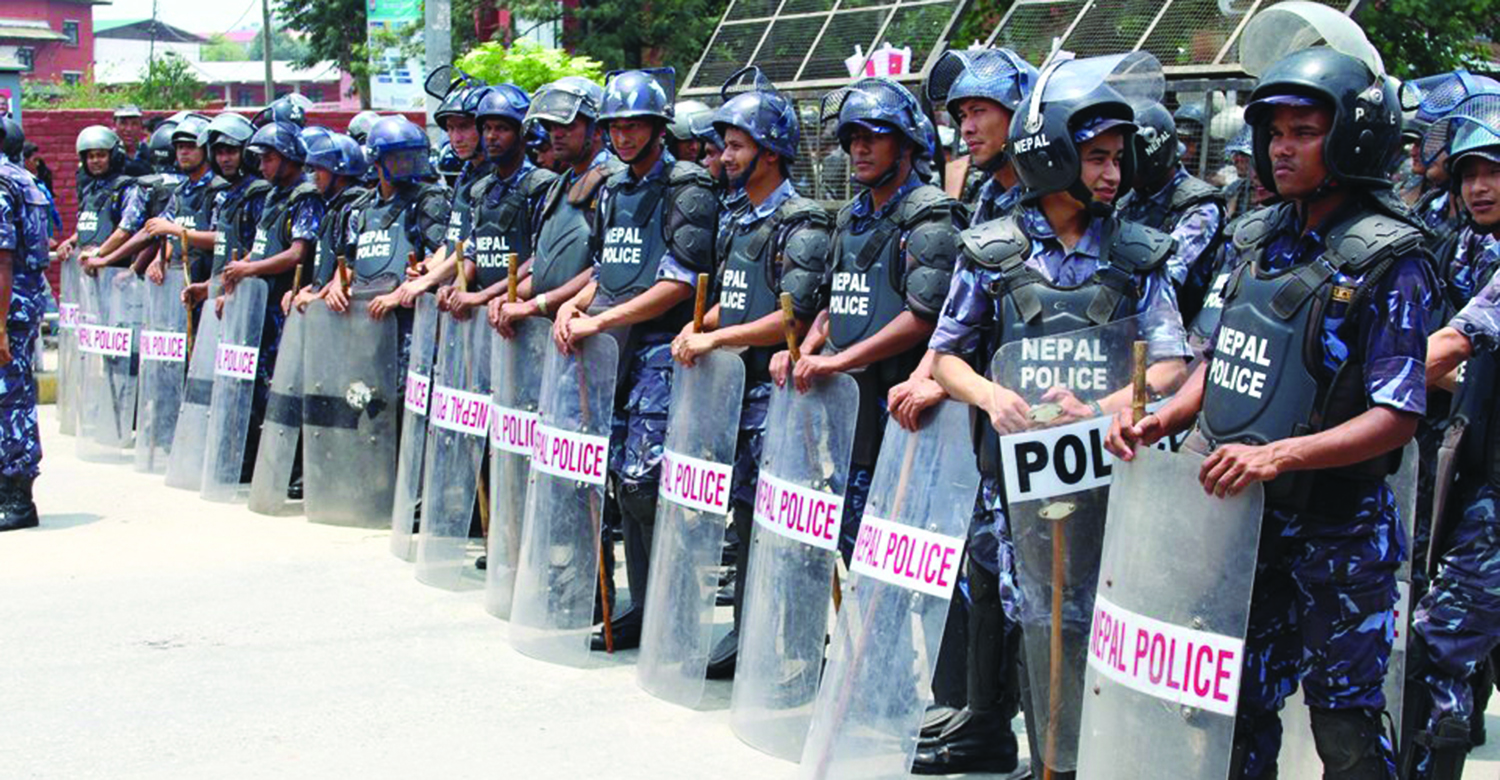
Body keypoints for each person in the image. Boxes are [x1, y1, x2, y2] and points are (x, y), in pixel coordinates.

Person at [1106, 45, 1432, 780]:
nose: (1282, 148)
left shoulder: (1391, 258)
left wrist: (1281, 455)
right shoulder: (1256, 237)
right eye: (1275, 132)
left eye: (1304, 132)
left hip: (1338, 532)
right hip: (1243, 523)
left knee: (1343, 725)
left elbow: (1398, 413)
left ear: (1352, 138)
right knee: (1230, 710)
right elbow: (1224, 357)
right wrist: (1165, 417)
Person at [930, 53, 1189, 780]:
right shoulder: (991, 251)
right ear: (1055, 157)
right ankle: (1050, 761)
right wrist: (990, 396)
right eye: (1096, 156)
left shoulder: (1138, 252)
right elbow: (945, 357)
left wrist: (1099, 409)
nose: (1111, 173)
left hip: (1111, 479)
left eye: (1117, 158)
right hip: (1017, 487)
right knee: (1033, 619)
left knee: (1097, 622)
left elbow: (1172, 365)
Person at [667, 67, 832, 678]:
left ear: (771, 151)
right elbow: (735, 300)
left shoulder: (804, 222)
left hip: (777, 396)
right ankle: (747, 634)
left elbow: (792, 316)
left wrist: (714, 337)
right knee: (744, 516)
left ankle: (797, 649)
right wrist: (701, 325)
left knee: (784, 525)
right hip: (733, 394)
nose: (726, 156)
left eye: (736, 145)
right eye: (724, 145)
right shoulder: (738, 216)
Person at [551, 67, 719, 651]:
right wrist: (574, 305)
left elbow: (680, 282)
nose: (623, 136)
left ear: (658, 126)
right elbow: (607, 269)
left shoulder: (687, 187)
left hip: (662, 354)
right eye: (615, 126)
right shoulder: (613, 189)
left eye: (634, 125)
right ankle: (643, 607)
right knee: (622, 486)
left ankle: (672, 610)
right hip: (614, 354)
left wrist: (599, 320)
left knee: (650, 487)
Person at [908, 45, 1038, 776]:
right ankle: (985, 720)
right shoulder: (988, 197)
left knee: (1037, 589)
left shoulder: (1052, 202)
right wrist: (930, 374)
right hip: (985, 412)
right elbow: (959, 314)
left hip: (1040, 417)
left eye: (981, 110)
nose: (967, 126)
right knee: (983, 568)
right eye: (960, 113)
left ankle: (1042, 740)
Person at [780, 76, 963, 563]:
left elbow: (923, 316)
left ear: (906, 144)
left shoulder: (930, 216)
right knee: (851, 539)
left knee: (902, 549)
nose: (858, 149)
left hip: (902, 407)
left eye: (873, 138)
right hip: (848, 407)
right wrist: (806, 347)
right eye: (852, 138)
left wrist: (838, 361)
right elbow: (834, 302)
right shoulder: (850, 217)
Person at [1401, 99, 1500, 780]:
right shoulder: (1455, 244)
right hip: (1462, 465)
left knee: (1438, 645)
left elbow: (1452, 343)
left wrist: (1371, 375)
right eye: (1470, 172)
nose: (1480, 187)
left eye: (1494, 172)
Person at [489, 76, 612, 338]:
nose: (556, 134)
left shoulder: (614, 183)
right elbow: (544, 265)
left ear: (597, 130)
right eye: (551, 126)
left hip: (591, 330)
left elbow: (604, 269)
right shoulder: (559, 185)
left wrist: (537, 304)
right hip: (551, 332)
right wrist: (511, 295)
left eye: (567, 125)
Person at [442, 84, 556, 319]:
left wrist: (486, 296)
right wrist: (458, 286)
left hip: (523, 314)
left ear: (523, 133)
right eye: (487, 128)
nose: (491, 136)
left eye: (502, 129)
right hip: (485, 319)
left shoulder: (541, 186)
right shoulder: (481, 190)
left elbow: (541, 258)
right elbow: (475, 249)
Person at [1116, 102, 1227, 326]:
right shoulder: (1127, 201)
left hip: (1175, 330)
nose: (1116, 169)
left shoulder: (1201, 207)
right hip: (1122, 324)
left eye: (1122, 158)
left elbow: (1166, 275)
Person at [0, 117, 50, 531]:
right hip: (21, 303)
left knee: (10, 402)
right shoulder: (22, 179)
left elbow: (2, 259)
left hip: (7, 307)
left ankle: (17, 499)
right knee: (13, 397)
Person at [55, 126, 139, 264]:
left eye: (101, 155)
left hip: (116, 269)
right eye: (90, 156)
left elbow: (126, 230)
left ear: (113, 157)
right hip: (88, 270)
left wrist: (99, 253)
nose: (95, 161)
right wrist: (71, 242)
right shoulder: (89, 189)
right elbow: (92, 225)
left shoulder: (126, 189)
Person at [112, 104, 153, 176]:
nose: (129, 129)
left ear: (141, 126)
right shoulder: (108, 154)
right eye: (123, 123)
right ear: (115, 125)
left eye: (134, 123)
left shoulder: (149, 153)